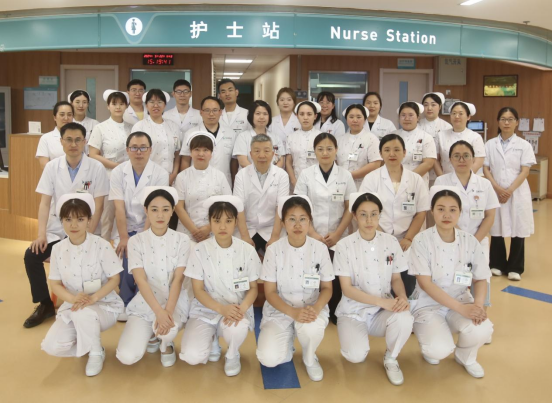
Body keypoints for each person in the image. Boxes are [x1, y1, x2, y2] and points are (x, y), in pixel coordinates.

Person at [24, 123, 109, 329]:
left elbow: (99, 205)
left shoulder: (96, 167)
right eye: (68, 140)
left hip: (88, 231)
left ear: (85, 142)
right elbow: (45, 203)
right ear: (61, 142)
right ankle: (45, 304)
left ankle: (90, 299)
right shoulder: (52, 167)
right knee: (31, 256)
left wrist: (87, 235)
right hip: (57, 230)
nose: (73, 144)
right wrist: (41, 235)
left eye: (78, 140)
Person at [409, 186, 494, 379]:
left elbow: (480, 278)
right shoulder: (421, 241)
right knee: (438, 350)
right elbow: (425, 284)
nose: (446, 215)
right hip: (428, 305)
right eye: (441, 209)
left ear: (460, 212)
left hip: (461, 299)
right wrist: (462, 309)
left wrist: (477, 306)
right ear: (432, 212)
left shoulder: (469, 241)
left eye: (452, 210)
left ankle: (466, 357)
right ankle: (433, 342)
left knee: (483, 328)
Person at [334, 192, 413, 386]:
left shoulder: (390, 242)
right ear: (354, 216)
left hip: (381, 311)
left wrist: (402, 297)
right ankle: (357, 340)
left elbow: (396, 278)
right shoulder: (344, 246)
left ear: (379, 215)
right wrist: (382, 302)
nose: (369, 220)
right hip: (353, 311)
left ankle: (391, 358)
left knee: (404, 317)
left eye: (374, 214)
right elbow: (347, 289)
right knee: (355, 356)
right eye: (363, 214)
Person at [41, 193, 123, 377]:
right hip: (73, 305)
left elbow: (115, 279)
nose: (73, 225)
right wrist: (72, 299)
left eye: (80, 219)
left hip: (104, 305)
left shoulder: (101, 245)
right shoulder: (57, 249)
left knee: (83, 313)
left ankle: (96, 352)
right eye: (68, 219)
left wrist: (93, 298)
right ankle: (89, 339)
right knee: (51, 346)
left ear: (89, 221)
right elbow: (54, 283)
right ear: (61, 221)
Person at [180, 196, 261, 378]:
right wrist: (221, 309)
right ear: (209, 222)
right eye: (217, 221)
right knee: (192, 356)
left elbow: (253, 288)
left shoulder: (247, 250)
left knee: (237, 329)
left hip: (237, 307)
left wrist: (242, 308)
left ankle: (232, 354)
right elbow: (198, 290)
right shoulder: (199, 250)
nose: (222, 226)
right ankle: (213, 338)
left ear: (236, 222)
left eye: (228, 221)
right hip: (206, 308)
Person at [256, 195, 334, 382]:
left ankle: (309, 357)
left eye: (302, 219)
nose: (297, 225)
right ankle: (288, 339)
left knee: (311, 330)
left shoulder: (320, 249)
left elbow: (327, 288)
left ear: (310, 222)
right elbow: (270, 293)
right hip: (280, 310)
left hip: (311, 308)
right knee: (268, 358)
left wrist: (316, 308)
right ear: (283, 223)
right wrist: (292, 313)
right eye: (292, 219)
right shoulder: (273, 250)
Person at [116, 187, 193, 368]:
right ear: (146, 210)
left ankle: (166, 344)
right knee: (127, 356)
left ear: (172, 211)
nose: (160, 215)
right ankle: (152, 335)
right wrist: (159, 312)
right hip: (146, 303)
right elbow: (141, 280)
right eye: (154, 209)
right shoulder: (136, 241)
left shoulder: (182, 240)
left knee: (168, 331)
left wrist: (167, 313)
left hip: (174, 302)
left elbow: (178, 279)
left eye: (165, 209)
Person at [359, 134, 430, 297]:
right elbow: (365, 211)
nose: (392, 154)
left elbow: (421, 212)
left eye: (397, 150)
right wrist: (384, 237)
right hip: (377, 236)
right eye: (387, 150)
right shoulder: (371, 179)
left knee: (407, 282)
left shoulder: (415, 180)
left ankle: (404, 303)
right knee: (379, 280)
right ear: (380, 153)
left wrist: (408, 238)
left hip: (406, 240)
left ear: (404, 152)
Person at [109, 132, 170, 319]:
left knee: (142, 254)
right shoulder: (118, 172)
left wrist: (142, 238)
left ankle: (141, 300)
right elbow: (119, 208)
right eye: (134, 147)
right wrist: (125, 237)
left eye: (143, 147)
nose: (138, 152)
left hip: (151, 227)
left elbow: (155, 209)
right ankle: (126, 301)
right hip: (125, 227)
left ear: (150, 150)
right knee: (125, 252)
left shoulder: (160, 174)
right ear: (127, 150)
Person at [484, 107, 537, 281]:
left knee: (518, 228)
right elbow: (486, 169)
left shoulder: (524, 145)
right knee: (496, 227)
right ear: (498, 122)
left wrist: (509, 190)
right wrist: (497, 188)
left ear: (516, 122)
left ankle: (515, 267)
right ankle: (497, 264)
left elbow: (525, 171)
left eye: (510, 119)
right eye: (503, 119)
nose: (507, 122)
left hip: (517, 191)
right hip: (495, 190)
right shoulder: (490, 144)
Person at [88, 90, 133, 241]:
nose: (118, 107)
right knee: (107, 215)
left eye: (121, 104)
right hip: (108, 175)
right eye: (114, 104)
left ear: (126, 106)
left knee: (128, 212)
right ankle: (105, 245)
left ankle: (125, 244)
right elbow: (93, 154)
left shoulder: (132, 128)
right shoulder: (100, 128)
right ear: (108, 106)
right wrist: (115, 165)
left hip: (129, 175)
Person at [233, 134, 290, 252]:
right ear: (251, 154)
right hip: (247, 228)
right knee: (242, 255)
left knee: (277, 255)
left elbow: (281, 207)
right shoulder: (241, 175)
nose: (262, 155)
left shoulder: (282, 175)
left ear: (273, 154)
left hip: (272, 228)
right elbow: (238, 207)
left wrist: (274, 237)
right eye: (257, 151)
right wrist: (245, 236)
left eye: (266, 151)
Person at [174, 132, 232, 243]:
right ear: (190, 152)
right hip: (187, 232)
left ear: (211, 153)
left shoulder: (219, 176)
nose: (201, 154)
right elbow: (179, 207)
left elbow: (228, 205)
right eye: (197, 149)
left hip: (214, 231)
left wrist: (209, 228)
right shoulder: (182, 176)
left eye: (205, 150)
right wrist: (194, 231)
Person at [180, 96, 238, 187]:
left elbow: (233, 162)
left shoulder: (231, 133)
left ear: (220, 112)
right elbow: (185, 160)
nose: (211, 114)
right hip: (196, 182)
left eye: (215, 110)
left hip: (223, 183)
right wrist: (184, 182)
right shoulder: (191, 133)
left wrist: (235, 183)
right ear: (201, 112)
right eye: (207, 110)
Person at [132, 89, 182, 185]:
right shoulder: (140, 127)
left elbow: (177, 153)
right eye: (152, 102)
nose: (156, 105)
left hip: (170, 177)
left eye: (159, 102)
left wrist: (174, 174)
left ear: (165, 105)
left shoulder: (173, 126)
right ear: (146, 105)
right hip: (146, 177)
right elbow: (135, 153)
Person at [337, 105, 382, 190]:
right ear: (346, 119)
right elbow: (335, 161)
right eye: (351, 117)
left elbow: (376, 164)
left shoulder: (371, 139)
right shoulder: (339, 140)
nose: (355, 120)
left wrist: (350, 175)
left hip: (363, 184)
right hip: (340, 184)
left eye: (358, 117)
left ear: (365, 119)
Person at [435, 101, 485, 176]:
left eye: (461, 114)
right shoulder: (440, 135)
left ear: (468, 117)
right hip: (445, 178)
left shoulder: (475, 137)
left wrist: (464, 177)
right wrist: (442, 178)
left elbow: (479, 161)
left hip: (468, 179)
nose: (457, 116)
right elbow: (435, 160)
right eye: (454, 113)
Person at [394, 102, 437, 186]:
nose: (406, 118)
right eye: (403, 115)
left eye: (411, 115)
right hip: (394, 181)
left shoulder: (426, 137)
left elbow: (428, 163)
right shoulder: (392, 136)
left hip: (417, 182)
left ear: (418, 117)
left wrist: (406, 180)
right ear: (399, 118)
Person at [233, 100, 285, 169]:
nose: (262, 117)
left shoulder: (276, 138)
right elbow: (243, 161)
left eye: (265, 114)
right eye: (258, 113)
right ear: (251, 115)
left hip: (273, 175)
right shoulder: (243, 137)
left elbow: (281, 161)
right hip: (249, 174)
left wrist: (270, 174)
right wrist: (259, 173)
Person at [285, 101, 322, 190]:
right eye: (301, 114)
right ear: (297, 116)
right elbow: (288, 162)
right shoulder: (291, 137)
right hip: (296, 181)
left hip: (318, 182)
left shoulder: (321, 137)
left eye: (309, 114)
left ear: (315, 116)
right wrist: (294, 181)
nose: (305, 118)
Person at [419, 92, 453, 187]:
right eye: (426, 105)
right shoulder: (417, 125)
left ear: (440, 106)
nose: (429, 108)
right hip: (420, 172)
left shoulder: (447, 127)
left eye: (433, 105)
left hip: (441, 173)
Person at [36, 101, 74, 169]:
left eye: (69, 115)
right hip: (55, 175)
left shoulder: (80, 137)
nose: (66, 118)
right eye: (62, 114)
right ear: (55, 117)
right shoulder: (46, 138)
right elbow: (44, 166)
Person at [271, 88, 301, 156]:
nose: (285, 103)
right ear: (277, 102)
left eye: (289, 100)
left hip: (295, 158)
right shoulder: (271, 122)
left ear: (294, 102)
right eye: (282, 100)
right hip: (276, 158)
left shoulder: (299, 122)